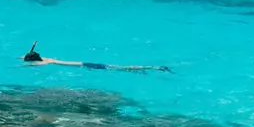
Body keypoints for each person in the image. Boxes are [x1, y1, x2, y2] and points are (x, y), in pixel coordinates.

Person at [21, 43, 169, 74]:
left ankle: (155, 68)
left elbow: (26, 63)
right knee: (120, 68)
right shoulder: (45, 59)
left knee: (122, 69)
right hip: (85, 63)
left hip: (86, 66)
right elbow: (26, 57)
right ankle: (151, 68)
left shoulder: (42, 64)